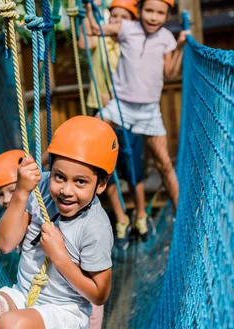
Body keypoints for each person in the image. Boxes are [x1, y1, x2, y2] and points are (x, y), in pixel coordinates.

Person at [0, 116, 118, 329]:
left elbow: (100, 294)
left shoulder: (95, 227)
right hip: (25, 294)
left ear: (101, 185)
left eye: (80, 182)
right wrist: (22, 192)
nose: (66, 189)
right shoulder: (42, 192)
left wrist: (61, 258)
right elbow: (4, 243)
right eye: (60, 176)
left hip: (66, 312)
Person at [87, 0, 190, 241]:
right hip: (121, 104)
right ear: (140, 11)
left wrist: (182, 45)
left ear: (167, 15)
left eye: (160, 13)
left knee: (164, 163)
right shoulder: (126, 29)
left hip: (149, 110)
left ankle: (182, 218)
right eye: (149, 11)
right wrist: (89, 9)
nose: (154, 17)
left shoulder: (166, 38)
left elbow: (170, 73)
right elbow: (95, 30)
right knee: (92, 131)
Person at [80, 0, 151, 250]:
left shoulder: (133, 46)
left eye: (123, 17)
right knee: (105, 171)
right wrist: (87, 12)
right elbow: (83, 42)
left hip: (127, 112)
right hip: (100, 112)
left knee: (133, 168)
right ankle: (121, 219)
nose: (116, 21)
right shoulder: (100, 41)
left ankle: (141, 215)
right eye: (113, 16)